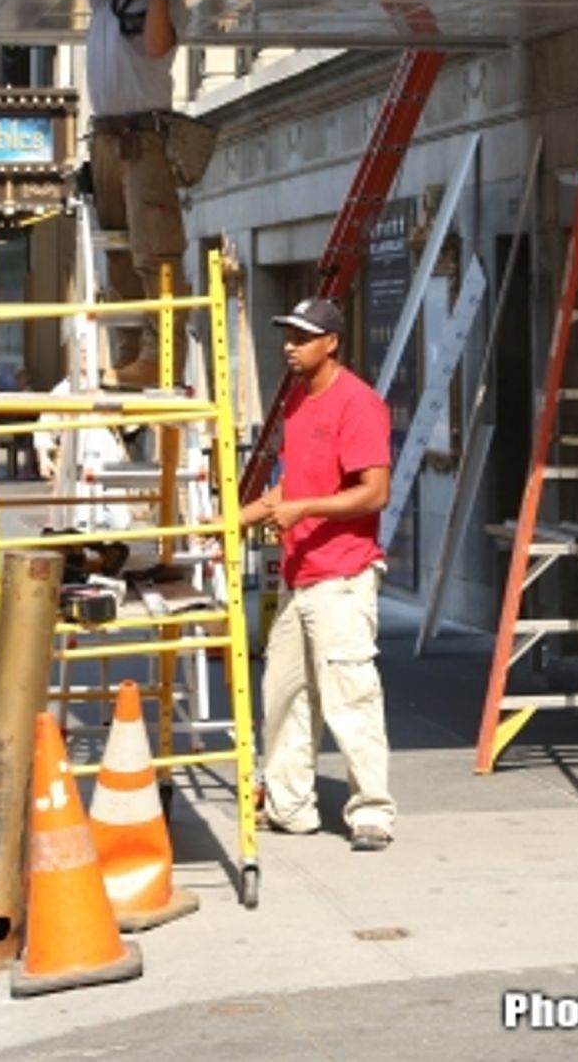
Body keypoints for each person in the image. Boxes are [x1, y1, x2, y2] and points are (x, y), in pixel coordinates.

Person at [241, 296, 395, 851]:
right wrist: (237, 518)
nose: (290, 345)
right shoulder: (299, 405)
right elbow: (296, 486)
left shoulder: (358, 403)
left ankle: (372, 813)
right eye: (288, 334)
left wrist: (302, 511)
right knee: (282, 696)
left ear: (331, 342)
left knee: (349, 697)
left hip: (344, 577)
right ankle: (289, 806)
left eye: (302, 336)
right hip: (299, 575)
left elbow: (374, 492)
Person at [71, 0, 189, 390]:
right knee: (119, 253)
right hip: (105, 137)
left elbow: (157, 46)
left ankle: (161, 356)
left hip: (144, 138)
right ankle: (127, 356)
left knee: (154, 250)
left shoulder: (171, 3)